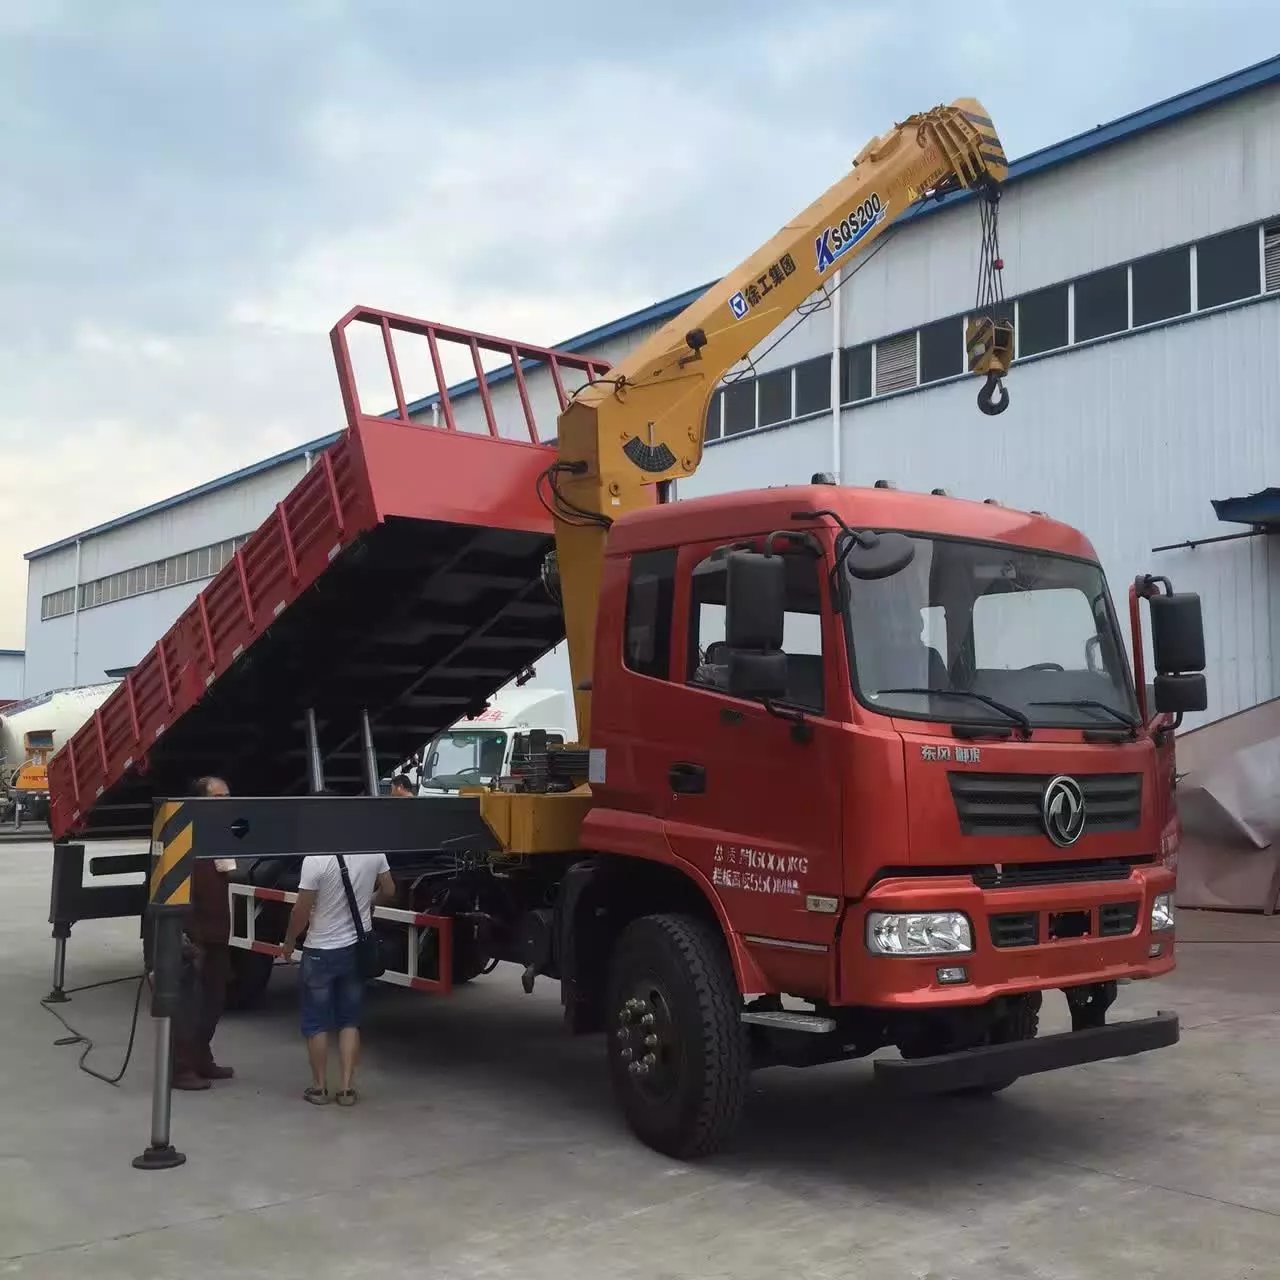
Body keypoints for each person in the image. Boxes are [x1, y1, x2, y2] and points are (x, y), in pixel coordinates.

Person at [280, 843, 395, 1106]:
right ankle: (346, 1089)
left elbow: (300, 911)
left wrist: (288, 942)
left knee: (316, 1022)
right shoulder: (374, 851)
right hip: (356, 950)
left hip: (320, 951)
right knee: (349, 1021)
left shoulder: (315, 858)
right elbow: (389, 890)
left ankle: (320, 1088)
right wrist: (369, 903)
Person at [173, 775, 237, 1090]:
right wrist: (190, 937)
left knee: (214, 1001)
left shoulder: (220, 836)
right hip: (196, 936)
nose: (225, 803)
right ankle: (181, 1067)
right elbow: (178, 892)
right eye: (218, 798)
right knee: (189, 1004)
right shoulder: (184, 837)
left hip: (218, 933)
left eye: (228, 797)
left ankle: (201, 1056)